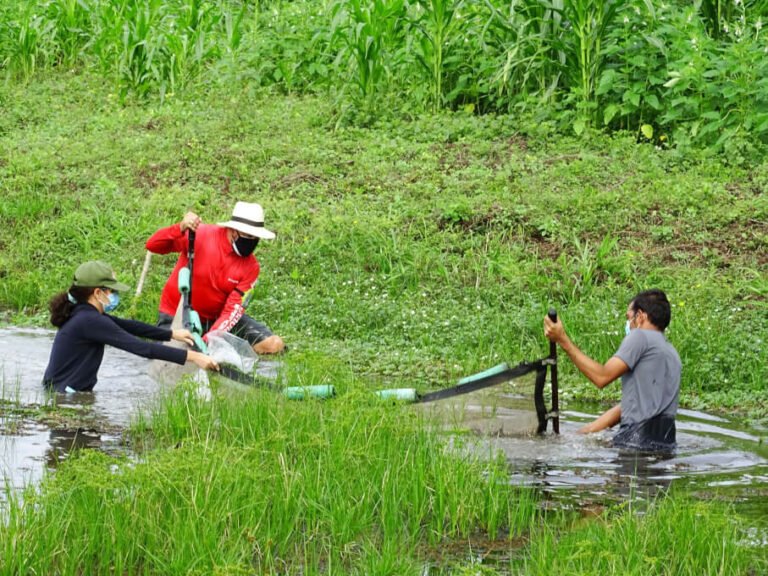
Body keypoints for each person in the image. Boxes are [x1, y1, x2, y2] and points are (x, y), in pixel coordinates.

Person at [43, 261, 219, 393]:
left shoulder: (83, 314)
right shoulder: (90, 321)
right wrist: (194, 356)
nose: (114, 295)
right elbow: (142, 348)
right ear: (97, 293)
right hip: (65, 397)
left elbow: (130, 326)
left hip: (60, 391)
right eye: (111, 291)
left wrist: (172, 334)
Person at [543, 289, 681, 451]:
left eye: (629, 318)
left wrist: (562, 339)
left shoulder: (640, 337)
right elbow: (627, 407)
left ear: (641, 316)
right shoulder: (671, 354)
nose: (628, 324)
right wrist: (580, 433)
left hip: (635, 441)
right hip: (666, 444)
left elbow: (601, 377)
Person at [146, 201, 285, 355]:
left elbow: (233, 309)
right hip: (177, 313)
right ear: (233, 230)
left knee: (274, 344)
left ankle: (225, 352)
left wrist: (210, 339)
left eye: (255, 238)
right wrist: (179, 228)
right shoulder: (200, 234)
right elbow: (153, 245)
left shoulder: (251, 267)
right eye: (247, 236)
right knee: (171, 357)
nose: (251, 242)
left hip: (215, 318)